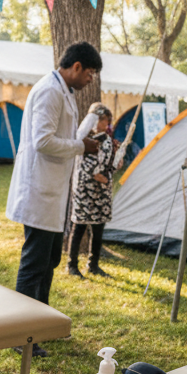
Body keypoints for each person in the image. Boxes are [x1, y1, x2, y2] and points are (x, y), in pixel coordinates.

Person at [7, 43, 102, 346]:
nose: (90, 79)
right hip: (39, 192)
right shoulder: (50, 91)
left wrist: (82, 141)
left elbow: (61, 137)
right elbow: (43, 141)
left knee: (49, 261)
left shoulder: (65, 92)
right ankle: (22, 335)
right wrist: (81, 146)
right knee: (34, 264)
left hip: (53, 193)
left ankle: (41, 325)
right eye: (89, 73)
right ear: (76, 66)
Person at [68, 106, 119, 278]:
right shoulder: (83, 138)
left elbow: (109, 162)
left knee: (98, 228)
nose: (104, 124)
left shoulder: (107, 140)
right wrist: (97, 174)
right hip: (85, 189)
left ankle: (93, 264)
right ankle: (72, 265)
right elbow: (84, 163)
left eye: (106, 121)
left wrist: (114, 164)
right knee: (79, 227)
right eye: (103, 120)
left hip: (101, 191)